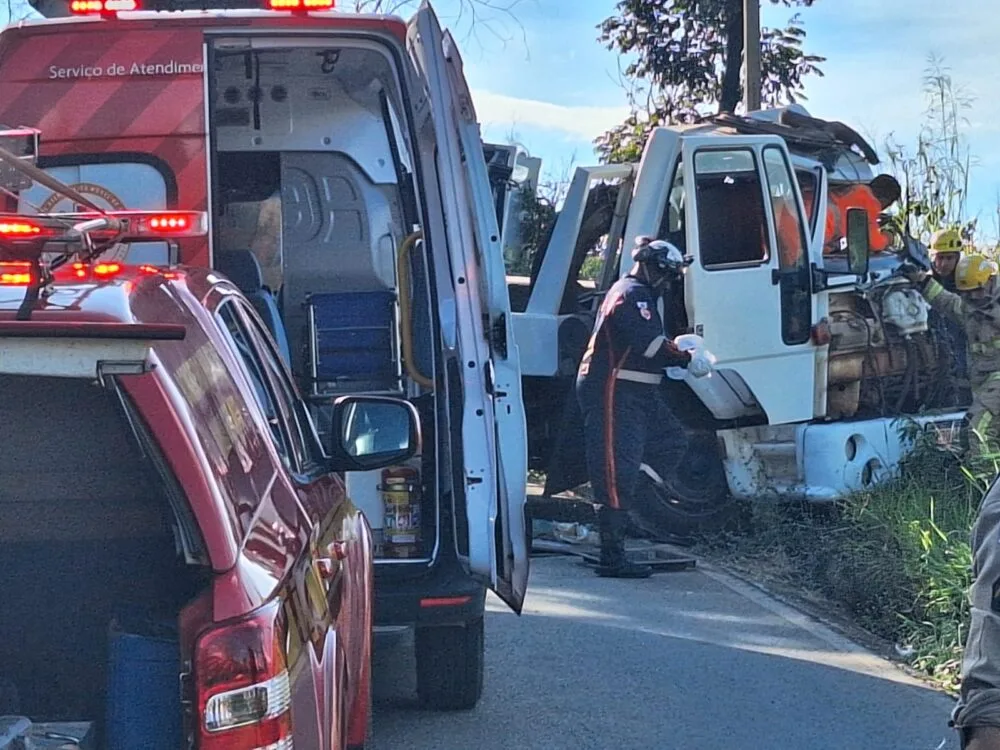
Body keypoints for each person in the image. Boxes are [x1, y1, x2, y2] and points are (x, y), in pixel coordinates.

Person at [576, 238, 712, 578]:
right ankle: (612, 555)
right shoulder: (631, 293)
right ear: (651, 266)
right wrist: (685, 357)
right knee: (614, 470)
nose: (667, 283)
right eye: (665, 274)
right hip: (614, 389)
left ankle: (629, 505)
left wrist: (677, 356)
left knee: (671, 442)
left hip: (639, 393)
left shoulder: (643, 294)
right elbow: (648, 345)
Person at [901, 253, 1000, 459]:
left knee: (978, 430)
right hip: (984, 383)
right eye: (968, 293)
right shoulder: (968, 308)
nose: (973, 297)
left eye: (977, 291)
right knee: (975, 434)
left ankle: (985, 484)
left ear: (990, 281)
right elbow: (945, 300)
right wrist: (921, 279)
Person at [927, 228, 971, 406]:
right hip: (934, 351)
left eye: (949, 258)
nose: (944, 264)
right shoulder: (924, 282)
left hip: (965, 347)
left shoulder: (970, 282)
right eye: (940, 258)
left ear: (958, 258)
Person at [815, 173, 901, 255]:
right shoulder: (869, 202)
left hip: (814, 237)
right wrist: (888, 238)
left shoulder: (854, 190)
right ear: (887, 200)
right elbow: (874, 244)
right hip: (817, 243)